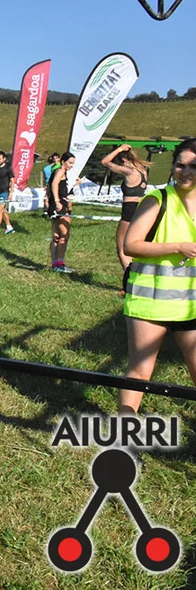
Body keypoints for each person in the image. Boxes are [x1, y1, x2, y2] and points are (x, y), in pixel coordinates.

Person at [117, 139, 196, 414]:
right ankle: (124, 434)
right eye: (180, 165)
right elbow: (131, 244)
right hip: (150, 303)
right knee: (140, 372)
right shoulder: (157, 200)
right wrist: (178, 247)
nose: (186, 172)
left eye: (194, 166)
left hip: (190, 305)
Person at [101, 143, 151, 275]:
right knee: (136, 244)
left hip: (129, 210)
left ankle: (128, 276)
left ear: (123, 159)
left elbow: (105, 162)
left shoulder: (129, 171)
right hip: (140, 209)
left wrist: (119, 149)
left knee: (122, 248)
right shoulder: (142, 170)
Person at [47, 152, 77, 273]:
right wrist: (57, 201)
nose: (71, 166)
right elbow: (54, 184)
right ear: (63, 162)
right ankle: (59, 263)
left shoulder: (57, 171)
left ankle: (55, 263)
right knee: (64, 235)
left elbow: (49, 186)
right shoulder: (60, 171)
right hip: (59, 206)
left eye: (73, 163)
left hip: (54, 205)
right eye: (70, 163)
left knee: (56, 236)